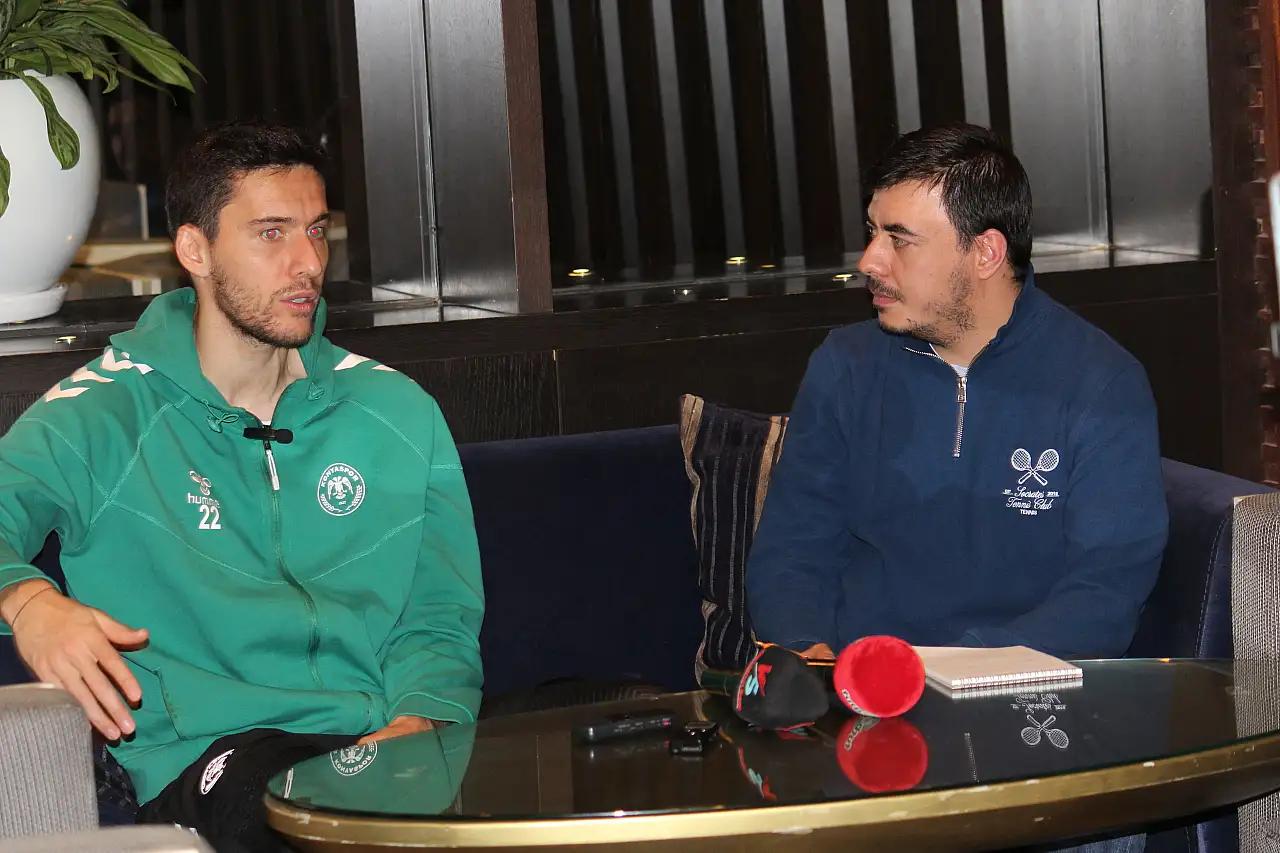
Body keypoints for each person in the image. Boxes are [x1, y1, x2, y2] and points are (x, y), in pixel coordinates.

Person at [0, 121, 484, 851]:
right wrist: (29, 603)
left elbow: (439, 616)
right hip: (215, 757)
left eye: (316, 231)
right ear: (194, 250)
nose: (307, 263)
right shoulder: (104, 412)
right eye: (271, 233)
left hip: (385, 741)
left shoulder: (395, 410)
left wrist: (424, 722)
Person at [746, 123, 1163, 853]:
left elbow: (1105, 591)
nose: (869, 261)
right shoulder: (845, 367)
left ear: (985, 252)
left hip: (1034, 719)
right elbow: (792, 549)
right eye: (872, 231)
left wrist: (945, 675)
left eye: (899, 239)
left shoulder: (1100, 383)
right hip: (864, 720)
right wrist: (814, 671)